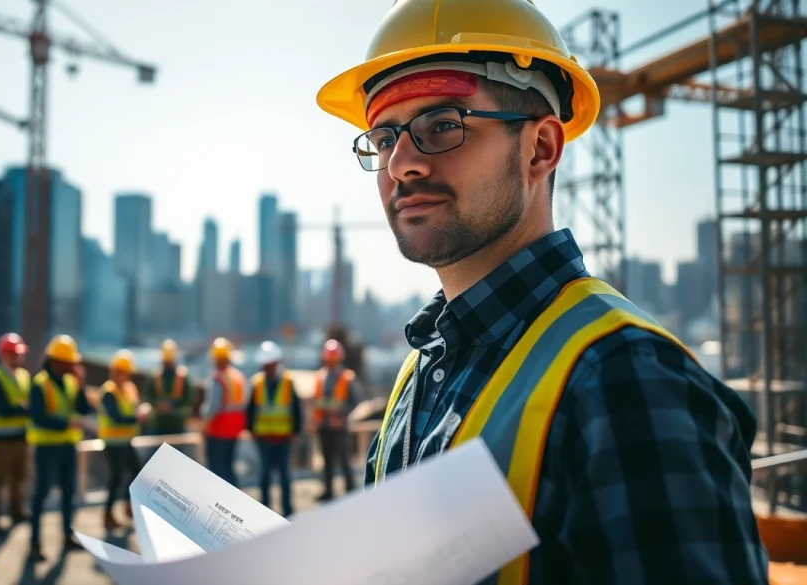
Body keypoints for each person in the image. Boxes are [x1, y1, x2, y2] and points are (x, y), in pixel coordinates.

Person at [315, 0, 769, 582]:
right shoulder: (422, 368)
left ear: (540, 149)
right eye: (383, 137)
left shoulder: (628, 381)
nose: (400, 163)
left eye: (442, 126)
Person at [27, 334, 93, 560]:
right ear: (57, 361)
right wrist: (66, 423)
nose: (73, 365)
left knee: (68, 493)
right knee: (41, 494)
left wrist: (82, 385)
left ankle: (67, 535)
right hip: (46, 447)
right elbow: (38, 418)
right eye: (70, 361)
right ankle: (35, 542)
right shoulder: (39, 384)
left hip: (67, 446)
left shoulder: (71, 382)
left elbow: (84, 409)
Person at [0, 332, 32, 537]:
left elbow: (27, 404)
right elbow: (3, 409)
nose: (17, 358)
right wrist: (24, 408)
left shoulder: (24, 376)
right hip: (1, 440)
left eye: (18, 354)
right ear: (2, 355)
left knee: (18, 477)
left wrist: (22, 408)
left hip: (21, 437)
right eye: (12, 354)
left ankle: (16, 511)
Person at [246, 341, 301, 517]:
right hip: (263, 437)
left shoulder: (287, 382)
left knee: (285, 475)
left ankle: (287, 510)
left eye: (270, 364)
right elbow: (251, 409)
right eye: (265, 365)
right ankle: (265, 510)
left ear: (276, 363)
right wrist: (251, 430)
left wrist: (295, 431)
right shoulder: (257, 383)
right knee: (265, 475)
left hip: (283, 437)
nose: (268, 367)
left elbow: (296, 408)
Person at [98, 349, 147, 530]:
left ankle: (128, 505)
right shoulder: (108, 391)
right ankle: (108, 514)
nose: (123, 375)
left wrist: (139, 414)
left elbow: (134, 408)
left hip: (126, 440)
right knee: (116, 478)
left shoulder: (129, 389)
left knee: (136, 473)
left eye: (125, 372)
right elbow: (116, 417)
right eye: (119, 371)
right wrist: (137, 417)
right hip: (112, 442)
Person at [312, 339, 359, 501]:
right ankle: (328, 491)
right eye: (329, 361)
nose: (331, 364)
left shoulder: (347, 378)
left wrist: (340, 412)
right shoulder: (320, 377)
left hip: (340, 426)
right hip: (324, 426)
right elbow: (316, 400)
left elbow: (354, 402)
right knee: (327, 461)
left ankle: (350, 490)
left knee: (345, 461)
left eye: (334, 361)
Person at [200, 337, 248, 486]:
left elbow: (212, 407)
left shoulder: (218, 379)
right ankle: (234, 501)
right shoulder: (238, 377)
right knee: (229, 466)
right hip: (234, 430)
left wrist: (204, 425)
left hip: (218, 430)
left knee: (217, 469)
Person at [142, 339, 193, 435]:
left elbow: (189, 398)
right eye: (166, 362)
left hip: (177, 423)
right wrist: (158, 404)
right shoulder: (155, 376)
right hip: (158, 423)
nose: (168, 365)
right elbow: (148, 395)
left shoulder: (182, 376)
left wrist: (172, 406)